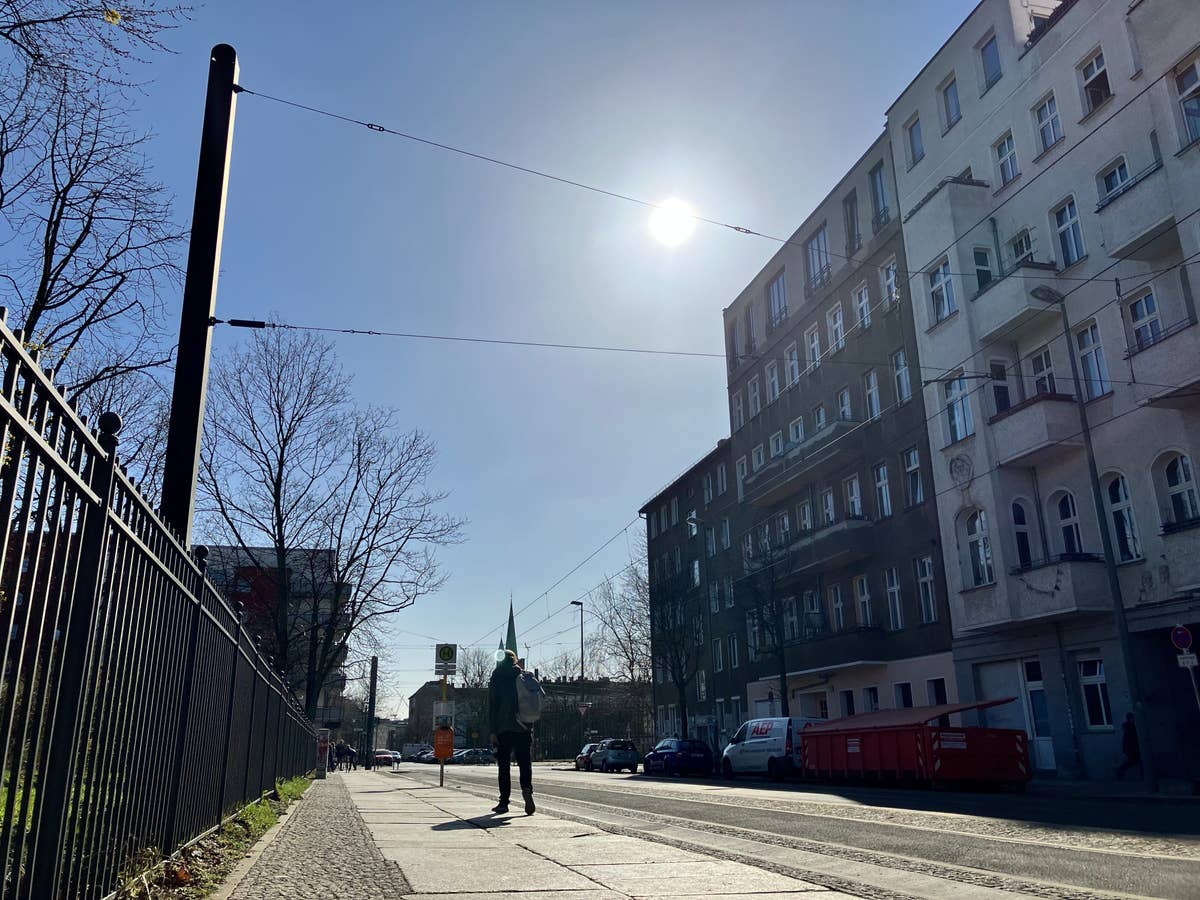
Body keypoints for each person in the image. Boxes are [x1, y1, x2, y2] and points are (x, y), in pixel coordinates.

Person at [488, 649, 535, 815]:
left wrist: (492, 730)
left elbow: (493, 705)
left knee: (504, 766)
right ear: (514, 660)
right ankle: (527, 789)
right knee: (525, 763)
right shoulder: (523, 676)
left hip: (503, 728)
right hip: (523, 727)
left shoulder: (497, 677)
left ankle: (504, 802)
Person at [1115, 712, 1141, 779]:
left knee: (1135, 760)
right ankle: (1120, 770)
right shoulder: (1130, 727)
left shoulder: (1130, 726)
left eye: (1133, 718)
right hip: (1131, 748)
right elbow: (1129, 739)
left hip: (1132, 747)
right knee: (1133, 760)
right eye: (1132, 718)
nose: (1133, 719)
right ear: (1129, 719)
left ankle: (1120, 770)